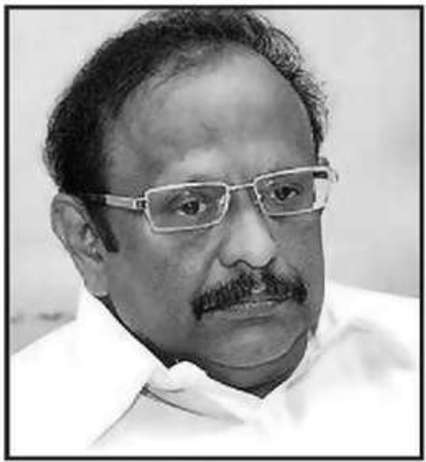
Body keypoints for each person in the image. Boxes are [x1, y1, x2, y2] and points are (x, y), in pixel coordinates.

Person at [11, 8, 419, 456]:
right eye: (192, 206)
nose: (258, 250)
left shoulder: (409, 352)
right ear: (87, 240)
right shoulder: (26, 429)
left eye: (284, 192)